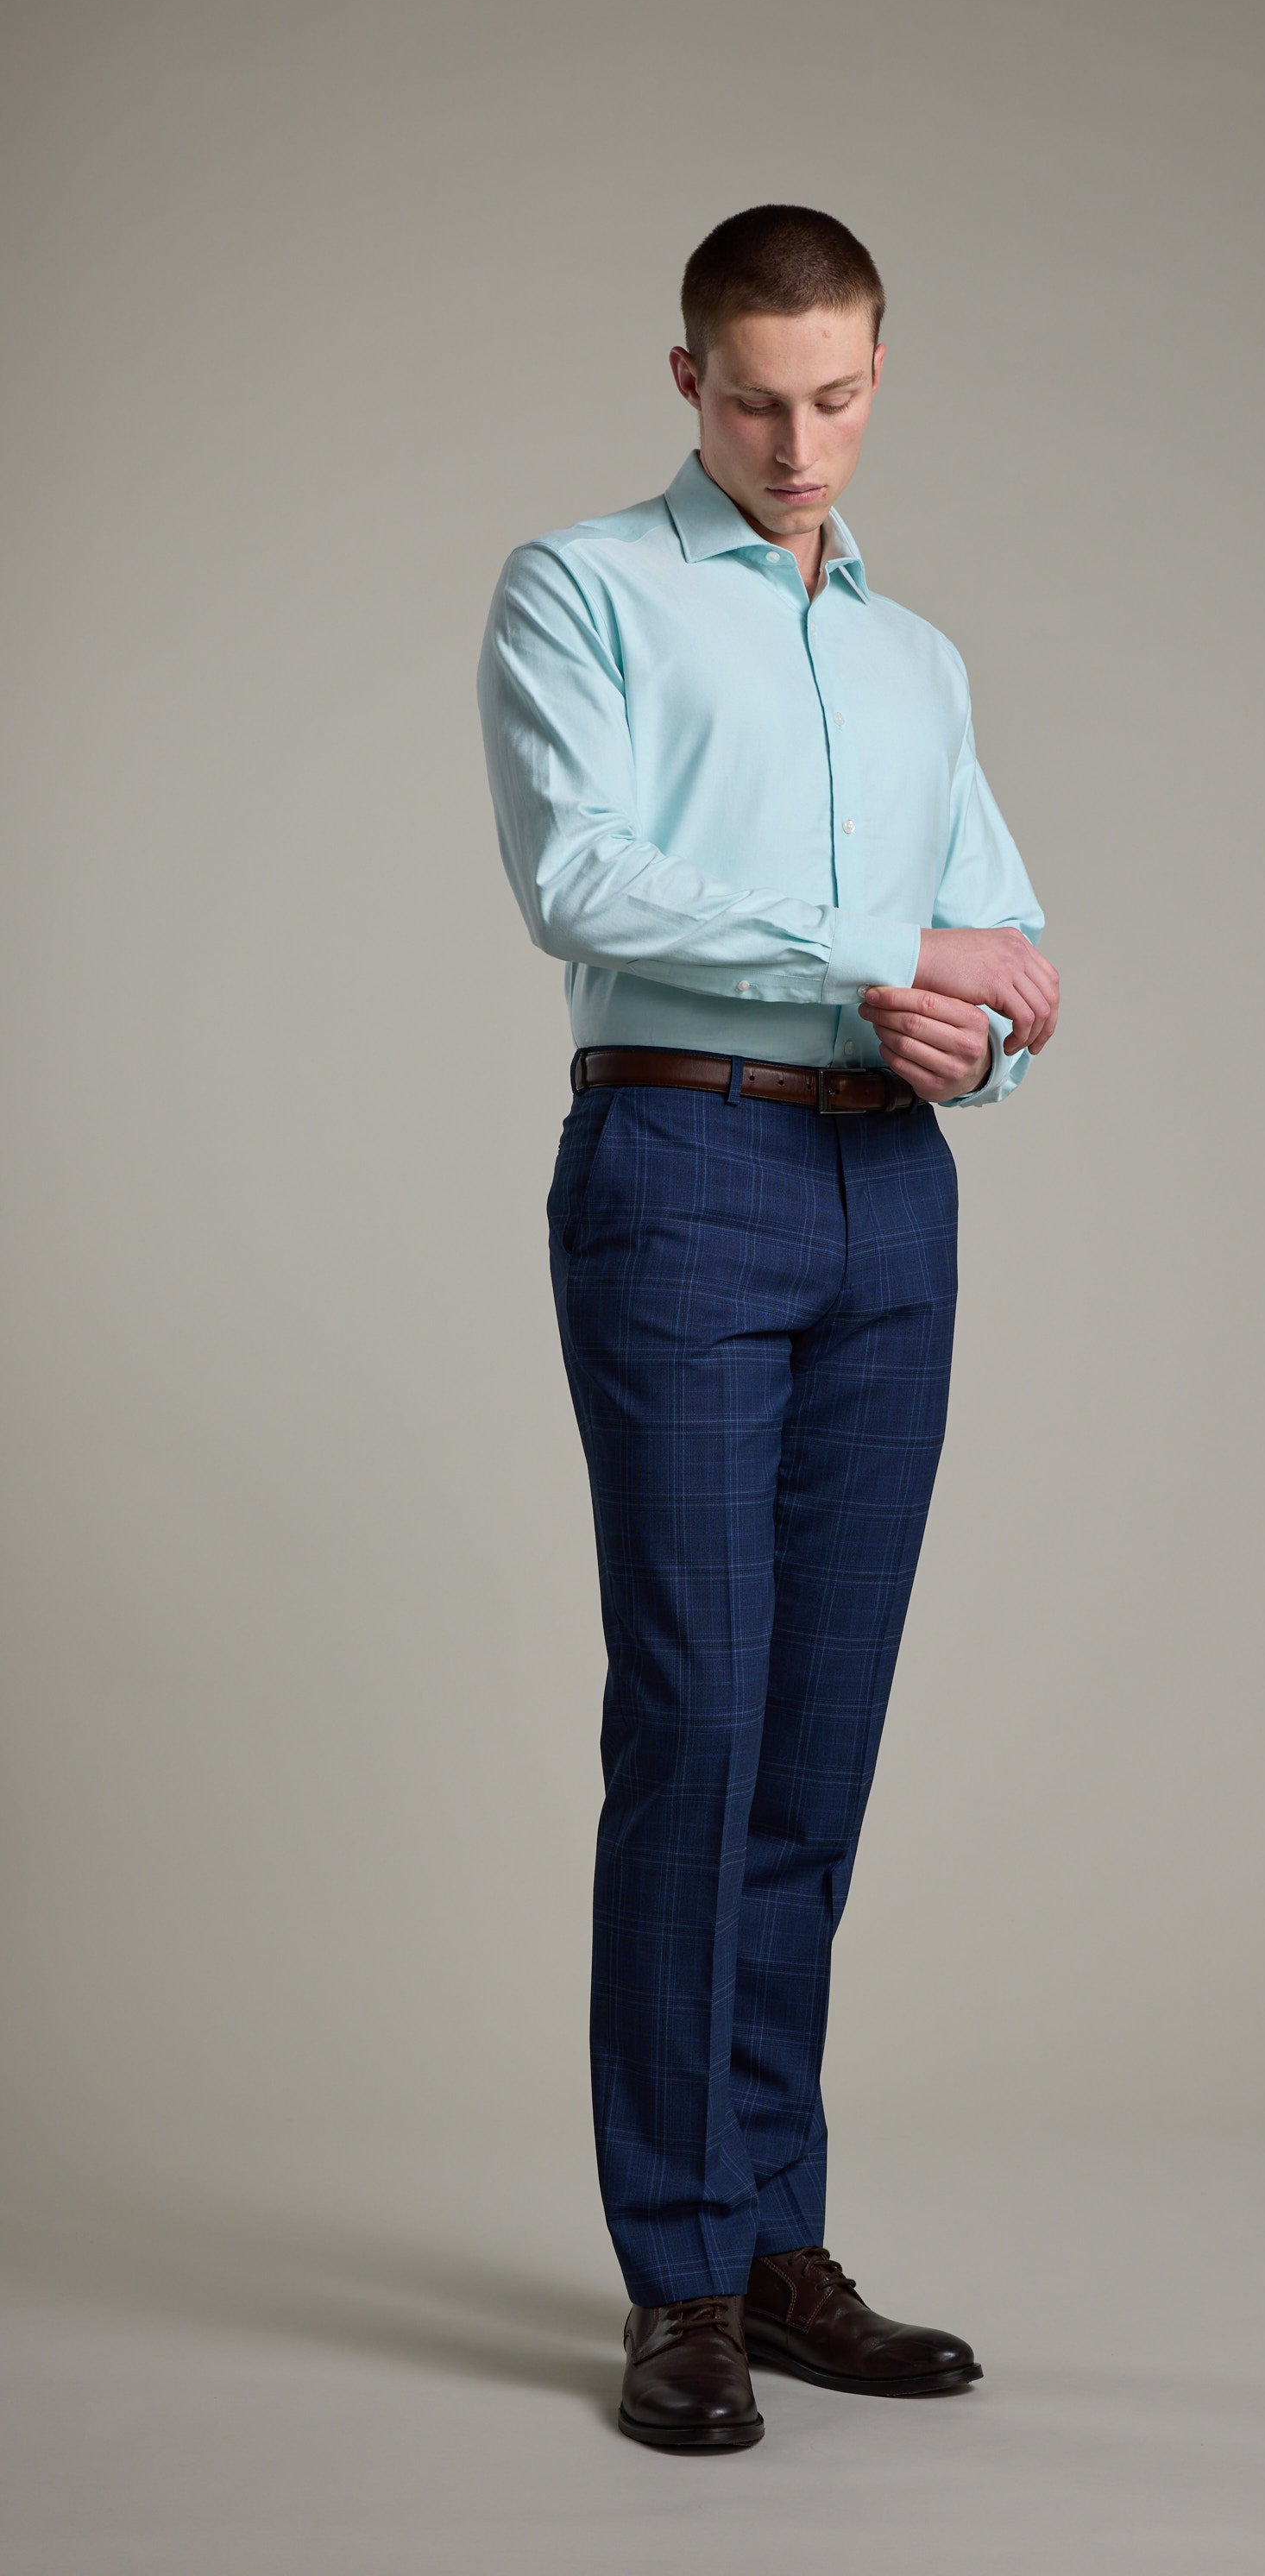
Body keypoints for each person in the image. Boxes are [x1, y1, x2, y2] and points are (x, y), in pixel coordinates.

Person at [476, 204, 1057, 2453]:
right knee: (698, 1729)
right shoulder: (583, 589)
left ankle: (779, 2238)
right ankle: (679, 2275)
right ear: (683, 378)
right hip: (682, 1170)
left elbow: (1000, 952)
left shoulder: (914, 660)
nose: (791, 441)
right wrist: (883, 948)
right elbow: (583, 880)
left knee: (812, 1755)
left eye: (831, 396)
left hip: (880, 1197)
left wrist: (974, 1039)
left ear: (878, 375)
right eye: (748, 396)